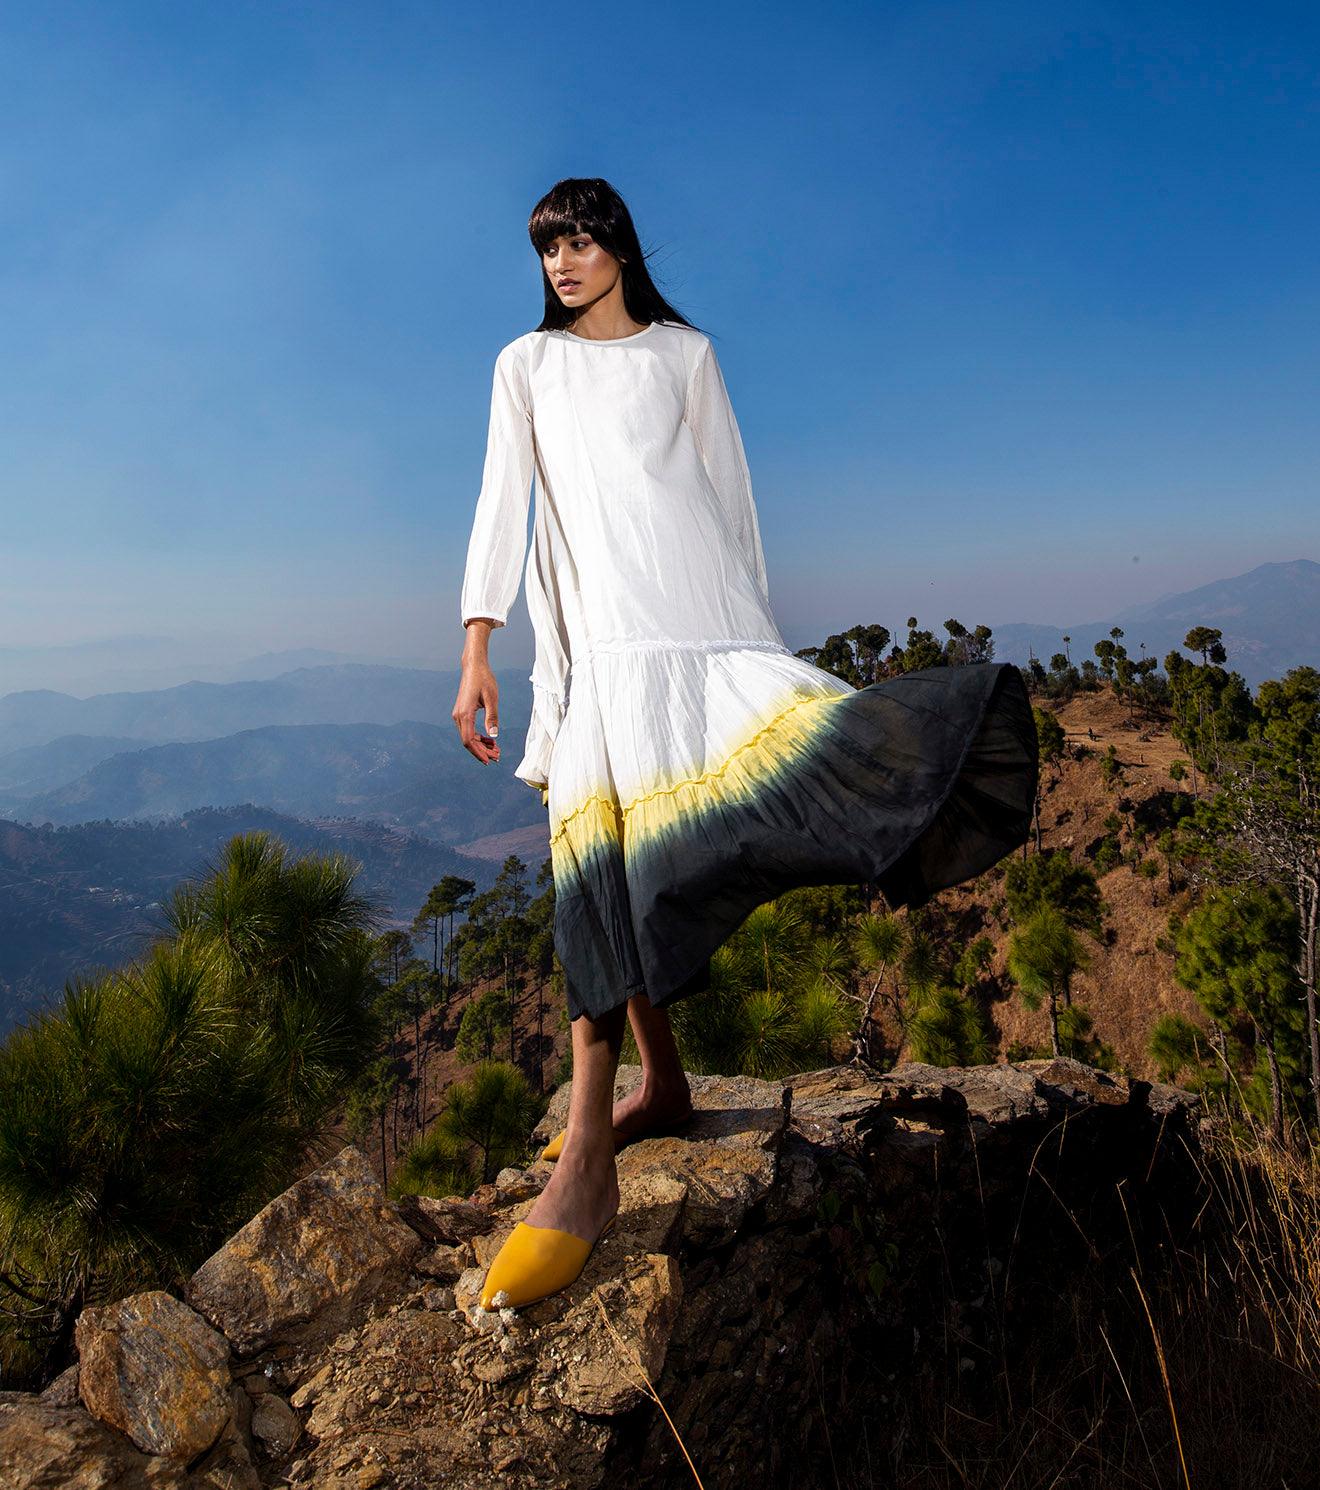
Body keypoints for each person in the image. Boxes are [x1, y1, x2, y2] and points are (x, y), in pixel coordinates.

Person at [453, 177, 1038, 1312]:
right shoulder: (526, 366)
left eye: (579, 241)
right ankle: (643, 1101)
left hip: (701, 627)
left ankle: (596, 1150)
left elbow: (731, 505)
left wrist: (758, 653)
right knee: (599, 870)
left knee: (641, 857)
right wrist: (479, 644)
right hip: (603, 648)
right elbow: (500, 501)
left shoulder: (687, 356)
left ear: (620, 247)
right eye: (546, 248)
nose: (561, 263)